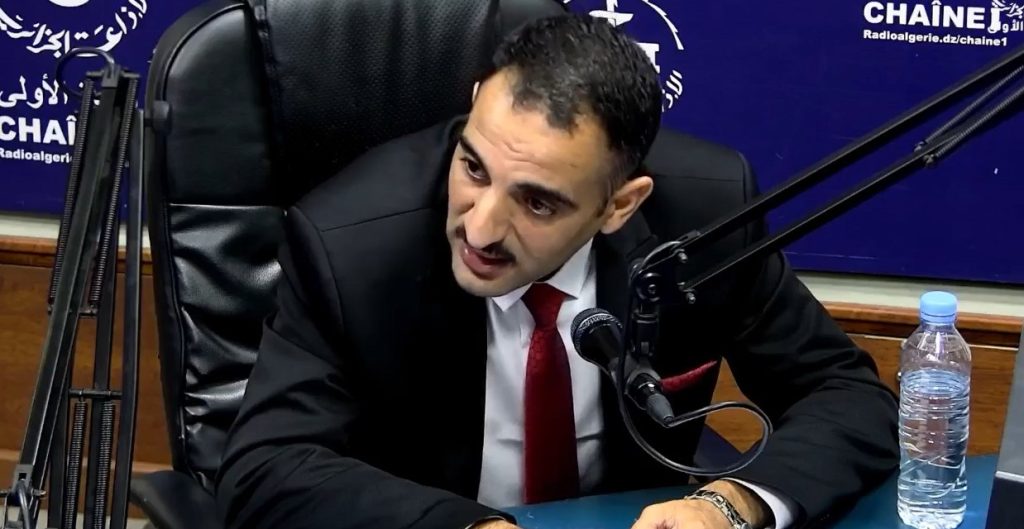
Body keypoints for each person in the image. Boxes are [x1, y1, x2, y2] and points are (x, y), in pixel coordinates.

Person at [215, 13, 899, 529]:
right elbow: (265, 466)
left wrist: (730, 503)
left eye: (537, 202)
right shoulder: (348, 243)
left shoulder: (705, 218)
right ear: (475, 103)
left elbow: (848, 396)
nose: (481, 227)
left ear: (620, 205)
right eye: (473, 167)